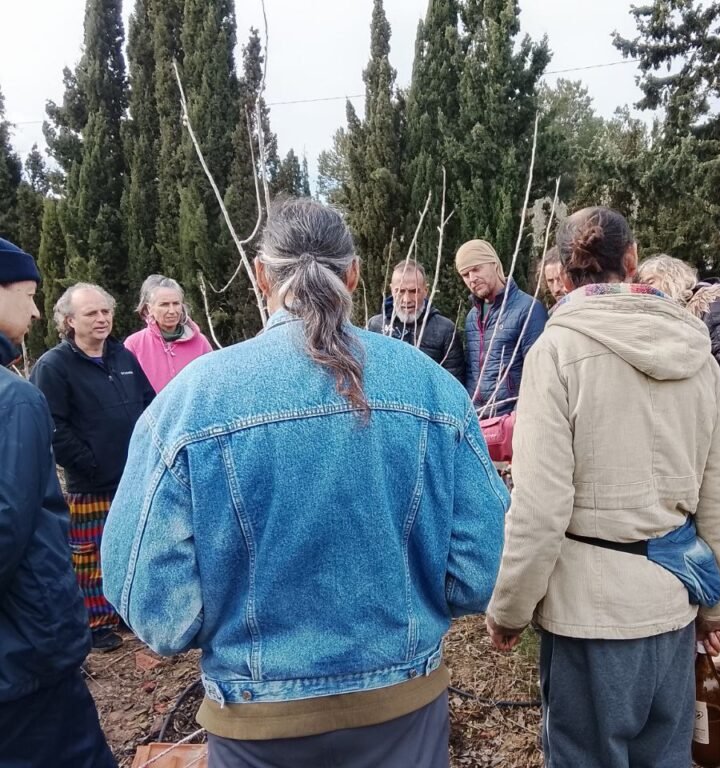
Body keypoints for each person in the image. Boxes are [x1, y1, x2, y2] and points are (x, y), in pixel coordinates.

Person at [102, 198, 508, 768]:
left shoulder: (191, 401)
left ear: (261, 275)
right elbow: (480, 567)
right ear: (355, 275)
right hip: (402, 708)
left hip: (256, 720)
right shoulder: (433, 389)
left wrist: (235, 630)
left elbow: (151, 600)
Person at [485, 207, 720, 768]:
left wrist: (508, 609)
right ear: (632, 259)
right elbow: (718, 495)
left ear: (564, 273)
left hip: (589, 618)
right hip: (673, 604)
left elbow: (540, 507)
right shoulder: (697, 352)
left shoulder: (555, 353)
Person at [0, 238, 117, 768]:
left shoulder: (122, 358)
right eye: (27, 295)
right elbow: (8, 526)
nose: (33, 311)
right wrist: (90, 464)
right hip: (26, 654)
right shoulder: (15, 398)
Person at [637, 254, 720, 672]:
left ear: (670, 280)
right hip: (684, 447)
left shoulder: (711, 310)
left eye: (651, 284)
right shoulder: (669, 319)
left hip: (715, 443)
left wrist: (694, 409)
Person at [30, 283, 155, 653]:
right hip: (90, 483)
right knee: (91, 554)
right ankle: (96, 623)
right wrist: (89, 463)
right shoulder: (54, 366)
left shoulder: (122, 356)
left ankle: (126, 611)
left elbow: (149, 402)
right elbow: (53, 426)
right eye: (91, 313)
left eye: (106, 311)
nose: (102, 319)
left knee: (130, 547)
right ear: (69, 321)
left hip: (133, 476)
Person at [456, 239, 546, 417]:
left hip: (512, 419)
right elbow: (472, 371)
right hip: (477, 419)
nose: (472, 279)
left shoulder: (529, 309)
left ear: (494, 264)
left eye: (476, 269)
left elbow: (539, 372)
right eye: (465, 274)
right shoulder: (472, 317)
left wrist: (517, 417)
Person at [368, 259, 465, 381]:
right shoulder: (375, 326)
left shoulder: (445, 330)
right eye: (400, 291)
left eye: (414, 291)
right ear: (392, 290)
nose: (407, 299)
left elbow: (454, 383)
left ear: (425, 291)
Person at [124, 274, 214, 393]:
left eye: (176, 303)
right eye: (164, 304)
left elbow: (212, 382)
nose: (172, 311)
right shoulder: (134, 345)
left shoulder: (200, 342)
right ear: (149, 308)